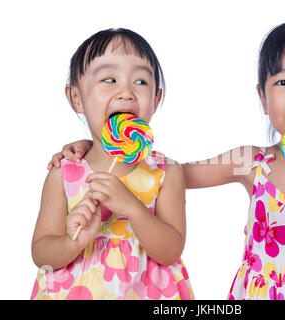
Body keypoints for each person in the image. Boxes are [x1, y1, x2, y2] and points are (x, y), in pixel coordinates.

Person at [48, 20, 285, 300]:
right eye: (283, 82)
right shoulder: (252, 162)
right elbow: (174, 174)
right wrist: (94, 148)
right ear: (263, 97)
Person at [31, 28, 194, 300]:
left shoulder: (167, 173)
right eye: (109, 79)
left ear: (156, 99)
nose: (127, 92)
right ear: (76, 98)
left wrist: (132, 207)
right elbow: (41, 253)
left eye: (141, 82)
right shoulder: (65, 172)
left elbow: (171, 251)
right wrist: (73, 242)